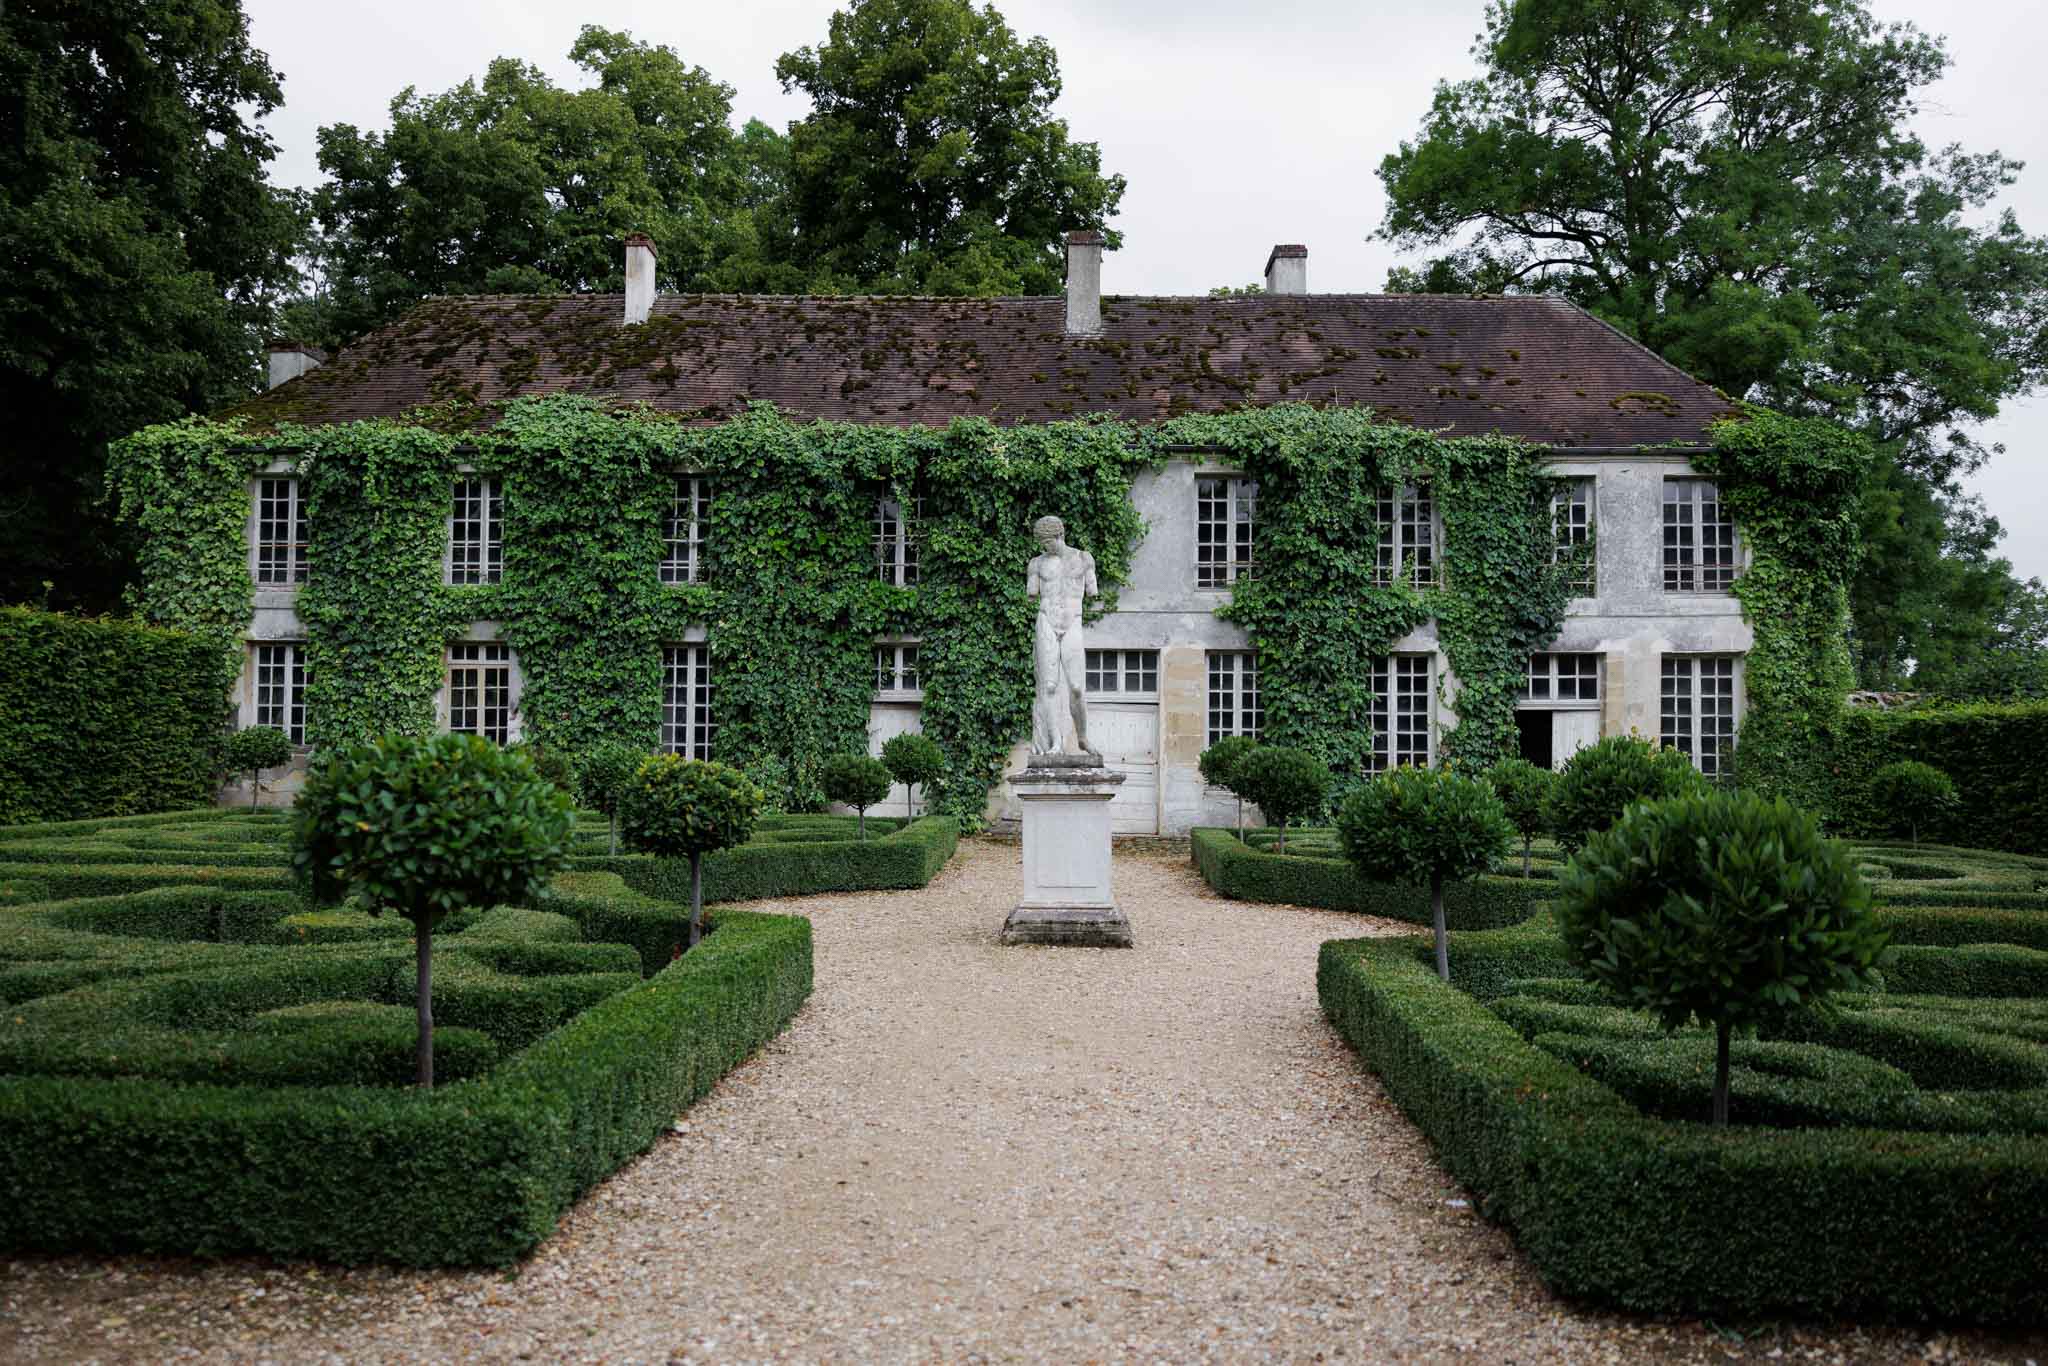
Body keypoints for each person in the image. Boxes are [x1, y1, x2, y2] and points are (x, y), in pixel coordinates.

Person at [1025, 515, 1098, 756]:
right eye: (1042, 543)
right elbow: (1032, 594)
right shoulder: (1036, 564)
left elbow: (1092, 591)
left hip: (1072, 622)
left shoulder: (1083, 559)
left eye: (1048, 542)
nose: (1045, 547)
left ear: (1060, 536)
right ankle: (1056, 742)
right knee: (1048, 686)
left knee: (1076, 687)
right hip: (1046, 621)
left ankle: (1083, 738)